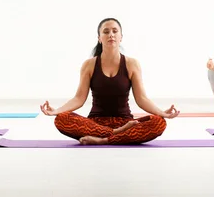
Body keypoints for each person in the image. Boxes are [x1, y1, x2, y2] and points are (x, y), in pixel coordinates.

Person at [39, 17, 180, 145]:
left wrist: (162, 113)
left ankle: (105, 139)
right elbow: (79, 98)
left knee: (158, 123)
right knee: (61, 119)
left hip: (125, 122)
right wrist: (56, 111)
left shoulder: (132, 64)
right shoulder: (89, 65)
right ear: (99, 38)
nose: (111, 34)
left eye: (114, 31)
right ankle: (115, 135)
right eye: (106, 32)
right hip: (96, 123)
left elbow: (142, 99)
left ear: (121, 37)